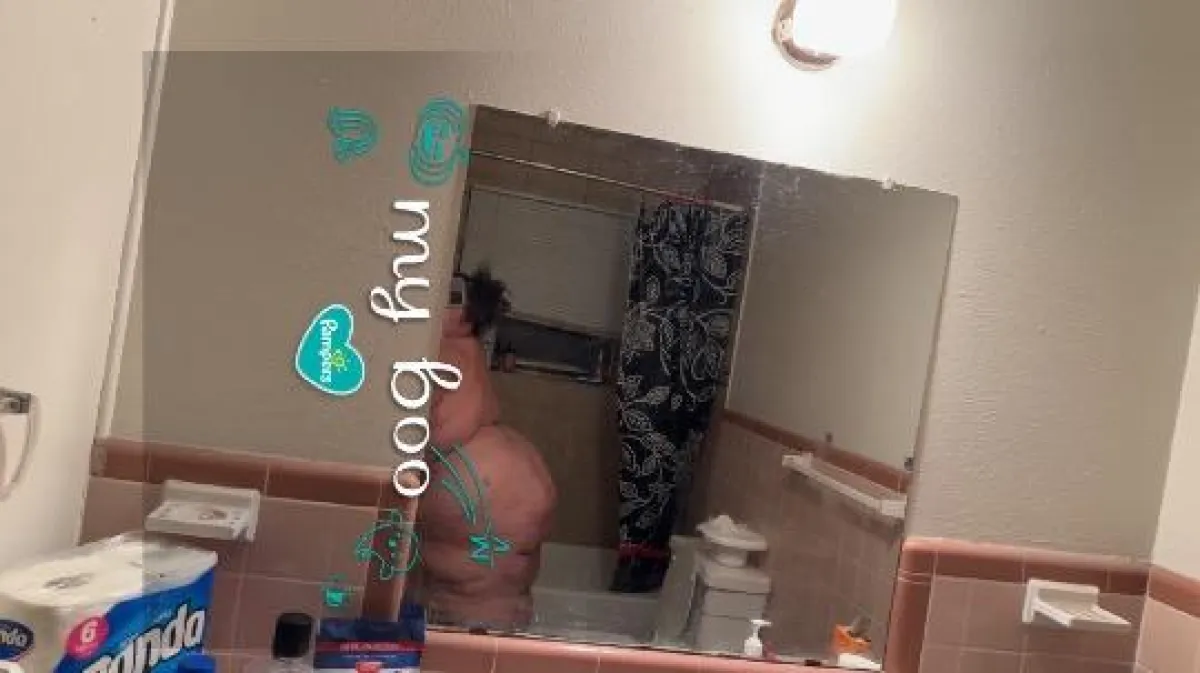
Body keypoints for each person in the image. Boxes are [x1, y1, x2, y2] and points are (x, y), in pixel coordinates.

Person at [414, 268, 557, 631]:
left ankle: (471, 648)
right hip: (503, 479)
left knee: (470, 597)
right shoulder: (467, 348)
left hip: (486, 485)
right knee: (498, 589)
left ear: (465, 317)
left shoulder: (436, 347)